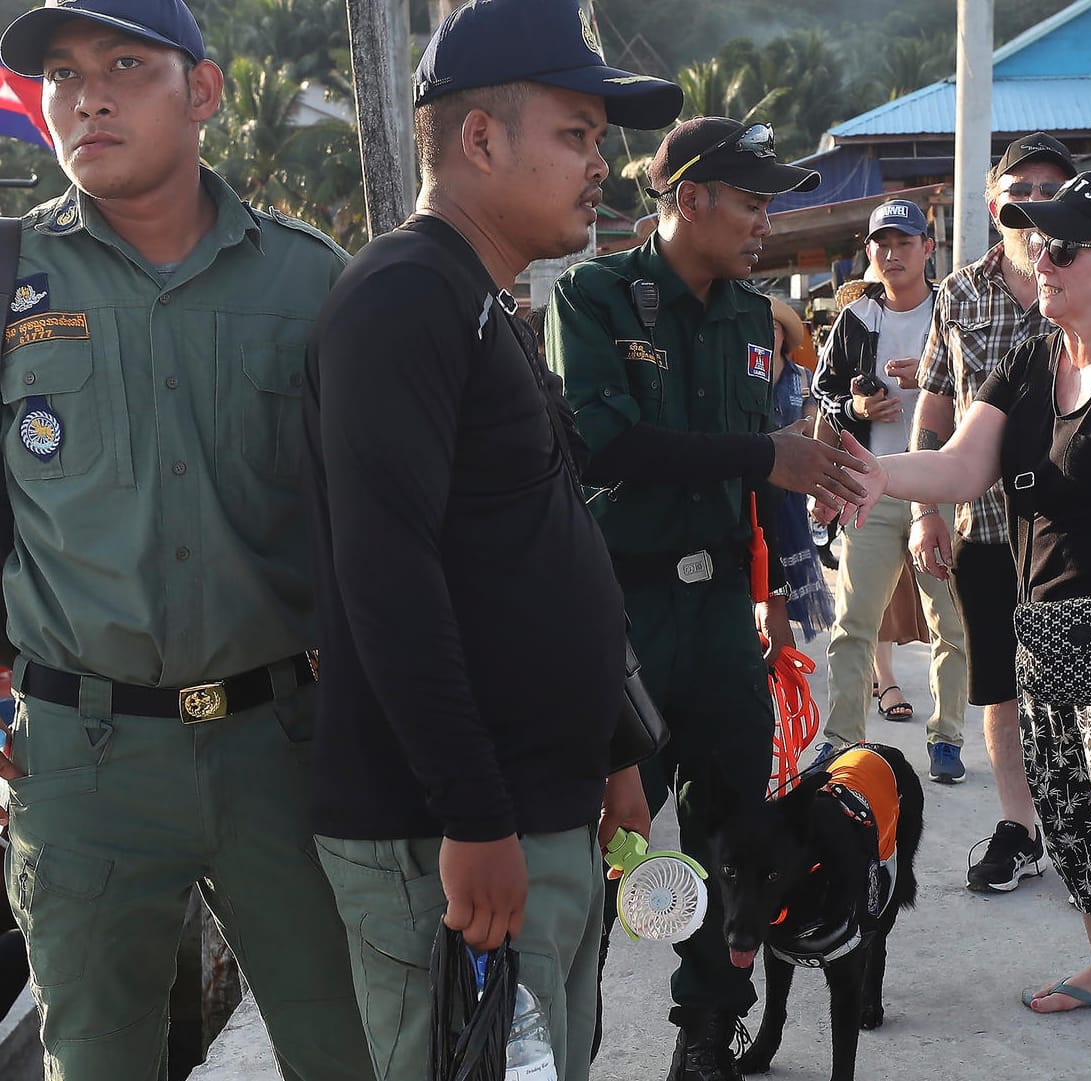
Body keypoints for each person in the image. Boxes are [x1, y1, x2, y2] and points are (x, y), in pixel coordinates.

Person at [300, 3, 684, 1079]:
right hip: (454, 837)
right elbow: (387, 575)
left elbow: (533, 541)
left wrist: (611, 752)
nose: (599, 164)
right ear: (479, 139)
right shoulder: (403, 298)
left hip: (533, 809)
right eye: (575, 133)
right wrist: (472, 815)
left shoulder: (480, 304)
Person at [0, 2, 373, 1078]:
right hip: (84, 757)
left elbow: (379, 518)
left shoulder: (314, 283)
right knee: (98, 1057)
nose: (89, 95)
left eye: (125, 64)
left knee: (348, 1045)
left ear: (202, 91)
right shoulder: (12, 281)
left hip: (284, 747)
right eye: (64, 74)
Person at [834, 171, 1091, 1081]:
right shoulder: (1030, 360)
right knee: (1068, 822)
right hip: (1050, 633)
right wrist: (871, 477)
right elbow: (957, 468)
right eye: (1035, 241)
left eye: (1064, 246)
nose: (1043, 258)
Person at [547, 116, 866, 1081]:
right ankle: (569, 1036)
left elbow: (761, 480)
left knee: (736, 835)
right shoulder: (592, 297)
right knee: (607, 835)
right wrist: (768, 453)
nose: (768, 220)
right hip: (625, 618)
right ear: (690, 198)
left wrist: (775, 598)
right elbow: (600, 446)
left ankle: (706, 1030)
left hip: (723, 611)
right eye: (753, 199)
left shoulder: (752, 316)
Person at [914, 131, 1074, 889]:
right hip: (980, 524)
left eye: (1053, 187)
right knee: (999, 686)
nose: (1037, 200)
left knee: (1080, 683)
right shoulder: (956, 292)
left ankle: (1082, 827)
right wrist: (923, 510)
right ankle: (1019, 827)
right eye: (1024, 187)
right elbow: (936, 402)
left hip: (1077, 528)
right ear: (993, 201)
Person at [811, 199, 968, 782]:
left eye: (905, 242)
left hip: (942, 486)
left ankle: (947, 738)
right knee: (853, 622)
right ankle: (842, 740)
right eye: (882, 243)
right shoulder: (856, 318)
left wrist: (929, 379)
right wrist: (852, 404)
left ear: (929, 249)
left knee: (949, 623)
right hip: (868, 486)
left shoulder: (952, 312)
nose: (891, 253)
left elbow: (982, 389)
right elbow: (823, 391)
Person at [766, 296, 834, 640]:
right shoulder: (747, 375)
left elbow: (813, 415)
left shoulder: (802, 376)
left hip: (794, 483)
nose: (768, 333)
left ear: (785, 336)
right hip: (761, 478)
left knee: (795, 546)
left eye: (775, 327)